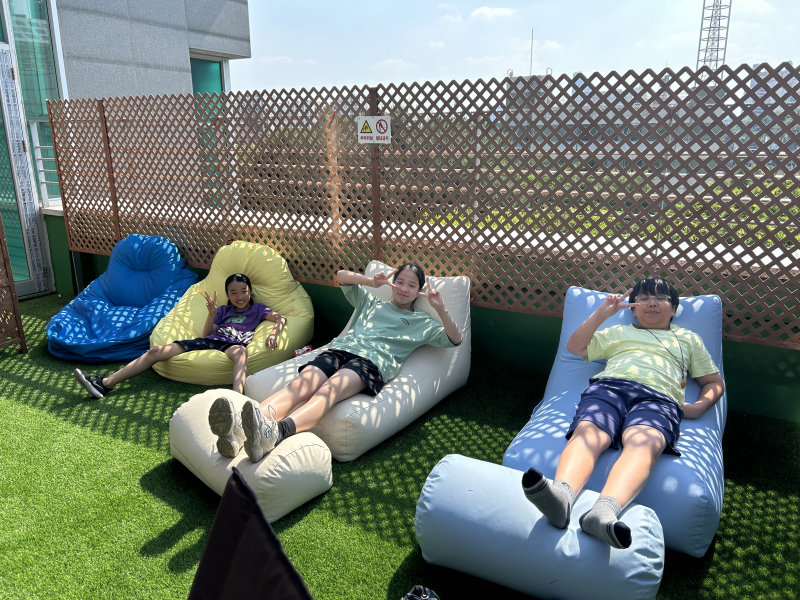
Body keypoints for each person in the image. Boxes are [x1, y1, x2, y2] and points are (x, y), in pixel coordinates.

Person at [521, 276, 725, 549]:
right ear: (633, 309)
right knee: (589, 432)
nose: (652, 302)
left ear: (674, 309)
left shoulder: (688, 339)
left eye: (661, 298)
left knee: (646, 443)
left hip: (659, 398)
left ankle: (603, 512)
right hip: (610, 387)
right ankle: (561, 497)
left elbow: (714, 382)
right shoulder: (619, 331)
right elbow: (576, 347)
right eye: (643, 298)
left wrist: (698, 407)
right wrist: (601, 314)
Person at [208, 263, 462, 462]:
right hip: (340, 350)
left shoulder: (421, 321)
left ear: (419, 291)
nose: (404, 288)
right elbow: (341, 276)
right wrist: (371, 282)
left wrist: (440, 308)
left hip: (370, 362)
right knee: (299, 386)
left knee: (328, 390)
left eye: (411, 285)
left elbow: (455, 339)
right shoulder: (372, 302)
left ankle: (275, 433)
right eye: (400, 282)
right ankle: (237, 432)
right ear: (393, 283)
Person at [74, 273, 286, 400]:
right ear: (228, 295)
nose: (239, 296)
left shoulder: (258, 309)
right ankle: (105, 383)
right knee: (156, 351)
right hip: (212, 340)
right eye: (233, 292)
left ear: (250, 291)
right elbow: (207, 335)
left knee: (241, 353)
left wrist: (274, 333)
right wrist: (212, 313)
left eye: (243, 291)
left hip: (233, 344)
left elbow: (281, 318)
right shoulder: (223, 310)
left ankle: (236, 399)